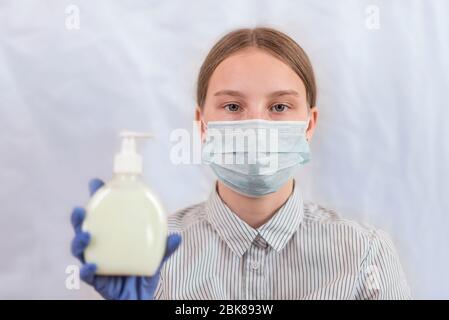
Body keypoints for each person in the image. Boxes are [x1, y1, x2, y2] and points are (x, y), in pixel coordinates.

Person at [71, 27, 411, 299]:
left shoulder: (365, 254)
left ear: (309, 123)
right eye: (233, 107)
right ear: (202, 125)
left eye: (279, 107)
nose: (257, 125)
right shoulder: (151, 253)